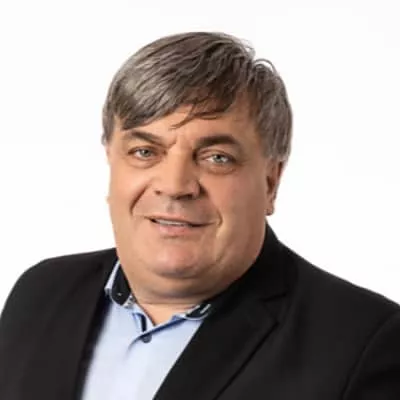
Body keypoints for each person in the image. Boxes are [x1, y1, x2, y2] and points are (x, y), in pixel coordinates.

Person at [0, 31, 399, 400]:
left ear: (271, 182)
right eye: (145, 152)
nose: (175, 185)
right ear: (111, 161)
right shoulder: (41, 294)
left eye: (216, 158)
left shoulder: (364, 344)